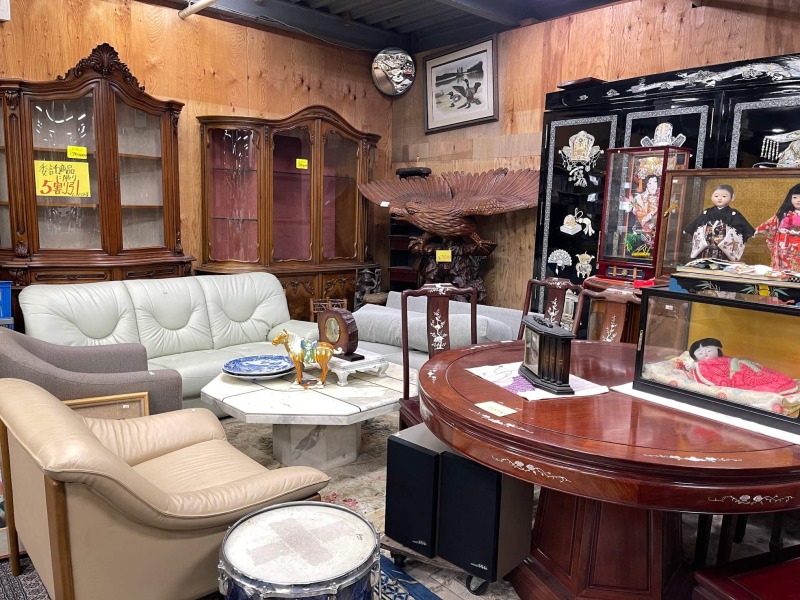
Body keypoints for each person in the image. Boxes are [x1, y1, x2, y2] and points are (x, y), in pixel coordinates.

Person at [688, 338, 797, 395]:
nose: (705, 354)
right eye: (700, 353)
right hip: (737, 373)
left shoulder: (724, 359)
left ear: (718, 350)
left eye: (709, 350)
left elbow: (729, 363)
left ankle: (784, 381)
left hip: (742, 367)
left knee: (762, 373)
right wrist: (695, 365)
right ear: (695, 357)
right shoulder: (702, 365)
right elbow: (718, 379)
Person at [682, 184, 755, 261]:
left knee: (723, 259)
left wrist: (751, 232)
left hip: (724, 244)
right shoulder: (707, 212)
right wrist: (688, 229)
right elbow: (698, 223)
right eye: (716, 196)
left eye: (724, 196)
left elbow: (741, 226)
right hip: (708, 242)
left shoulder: (733, 213)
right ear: (711, 197)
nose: (719, 198)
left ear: (732, 198)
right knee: (706, 260)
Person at [754, 182, 800, 273]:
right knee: (784, 272)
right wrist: (760, 230)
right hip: (783, 249)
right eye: (795, 197)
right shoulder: (782, 215)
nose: (798, 200)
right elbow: (770, 225)